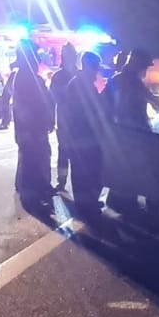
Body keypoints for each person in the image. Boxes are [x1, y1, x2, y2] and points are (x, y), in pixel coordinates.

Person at [55, 51, 105, 217]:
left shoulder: (80, 83)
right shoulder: (81, 85)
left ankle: (87, 203)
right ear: (89, 66)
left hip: (81, 136)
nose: (97, 71)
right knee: (85, 172)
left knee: (85, 172)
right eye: (96, 67)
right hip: (82, 137)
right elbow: (87, 111)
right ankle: (86, 206)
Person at [11, 43, 54, 216]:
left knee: (34, 158)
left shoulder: (28, 76)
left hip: (33, 128)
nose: (38, 59)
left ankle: (37, 189)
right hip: (31, 129)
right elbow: (28, 106)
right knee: (32, 160)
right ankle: (32, 197)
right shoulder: (25, 77)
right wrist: (35, 126)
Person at [102, 49, 159, 130]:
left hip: (124, 130)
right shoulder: (131, 82)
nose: (145, 70)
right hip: (130, 131)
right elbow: (152, 100)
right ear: (136, 65)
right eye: (143, 67)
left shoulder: (119, 79)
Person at [48, 41, 78, 191]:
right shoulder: (62, 77)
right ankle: (62, 181)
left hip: (71, 122)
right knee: (65, 152)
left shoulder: (61, 76)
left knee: (68, 153)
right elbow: (52, 100)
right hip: (66, 122)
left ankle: (65, 182)